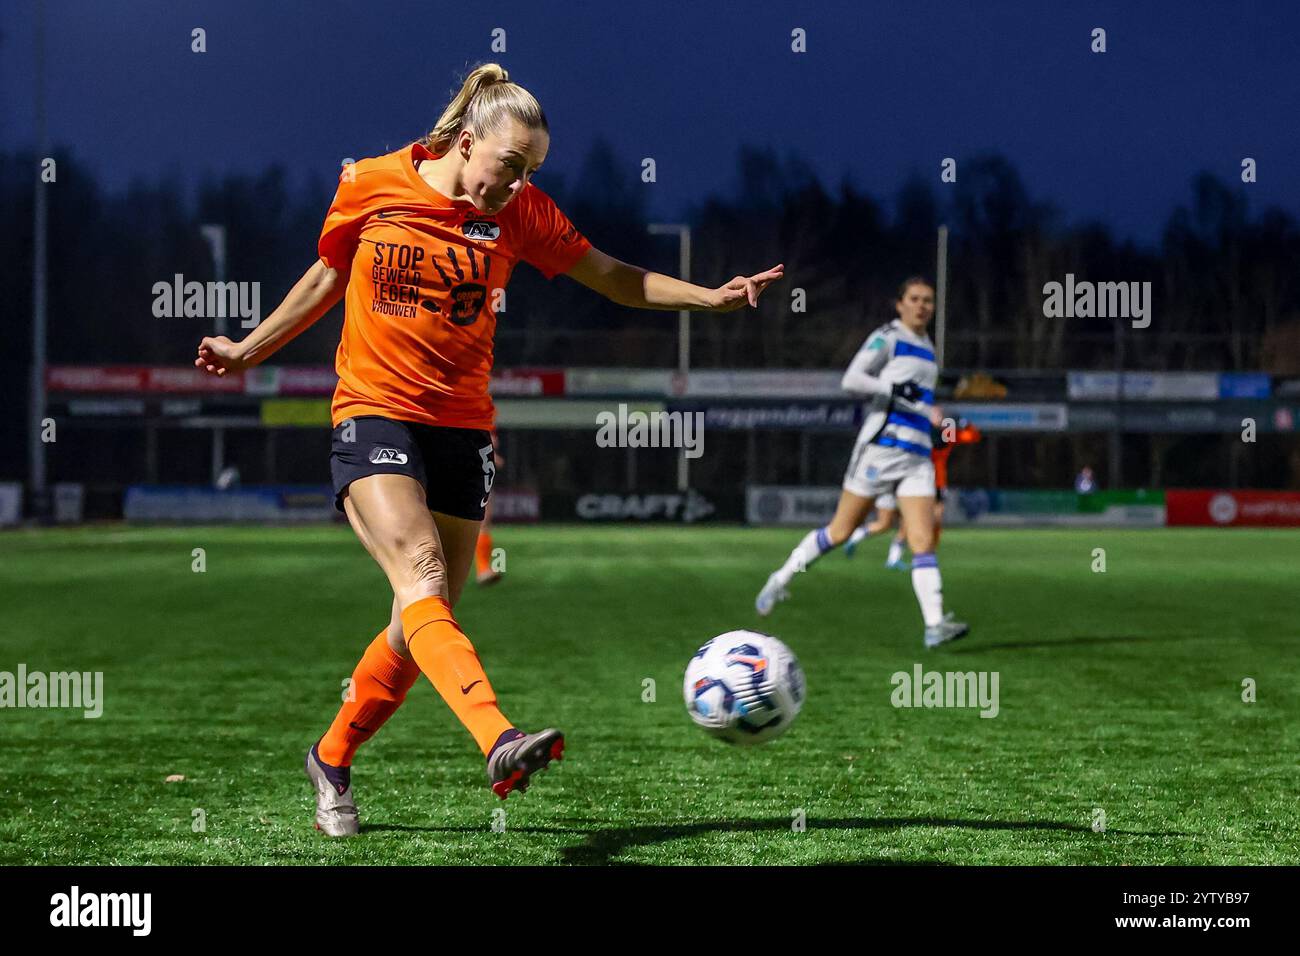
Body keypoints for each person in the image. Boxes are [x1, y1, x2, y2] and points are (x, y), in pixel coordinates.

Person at [194, 63, 783, 836]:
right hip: (373, 413)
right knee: (424, 575)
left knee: (420, 620)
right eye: (510, 164)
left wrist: (708, 296)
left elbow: (612, 277)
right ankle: (497, 737)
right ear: (467, 141)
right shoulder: (371, 182)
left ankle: (330, 758)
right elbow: (326, 277)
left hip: (462, 429)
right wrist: (249, 349)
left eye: (532, 170)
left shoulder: (524, 214)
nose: (518, 182)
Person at [755, 277, 969, 648]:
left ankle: (935, 625)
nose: (922, 306)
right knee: (839, 531)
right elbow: (851, 380)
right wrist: (893, 389)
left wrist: (930, 413)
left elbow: (914, 397)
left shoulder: (928, 347)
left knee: (922, 540)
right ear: (900, 304)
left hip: (917, 455)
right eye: (915, 299)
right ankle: (781, 578)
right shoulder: (888, 336)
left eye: (928, 301)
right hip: (880, 449)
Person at [844, 407, 981, 567]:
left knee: (933, 519)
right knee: (891, 523)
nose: (936, 417)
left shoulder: (945, 432)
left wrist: (965, 424)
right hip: (914, 481)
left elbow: (967, 437)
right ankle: (896, 556)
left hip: (936, 482)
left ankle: (922, 554)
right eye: (933, 414)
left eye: (939, 415)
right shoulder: (919, 432)